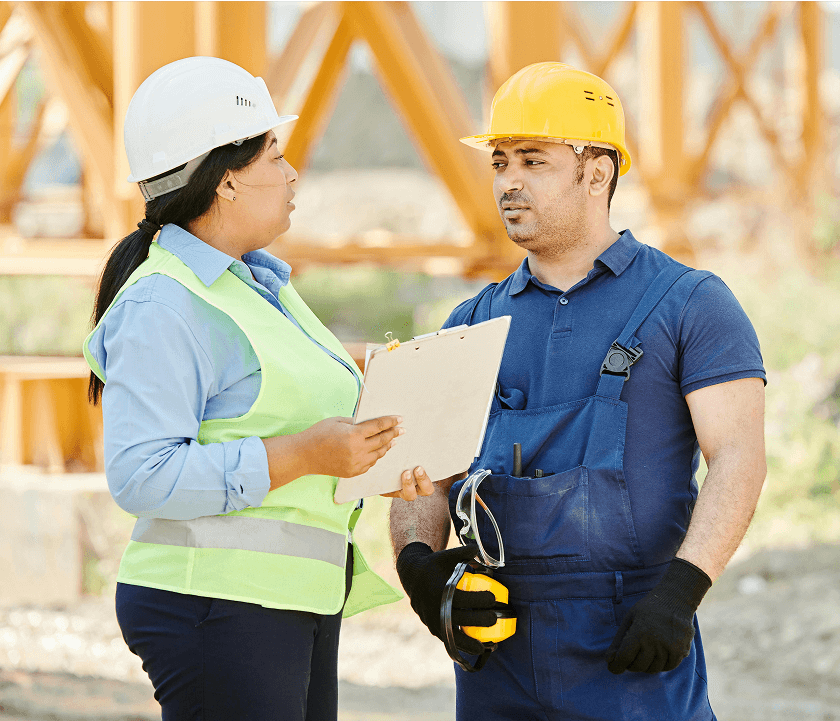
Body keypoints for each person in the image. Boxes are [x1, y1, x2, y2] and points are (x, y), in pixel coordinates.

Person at [389, 62, 767, 720]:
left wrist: (681, 591)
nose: (508, 182)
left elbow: (738, 456)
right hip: (498, 649)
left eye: (533, 161)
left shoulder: (691, 304)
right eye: (500, 162)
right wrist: (420, 567)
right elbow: (419, 475)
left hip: (633, 639)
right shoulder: (468, 323)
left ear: (597, 172)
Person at [83, 56, 433, 721]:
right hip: (216, 605)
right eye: (275, 154)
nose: (292, 173)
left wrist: (363, 461)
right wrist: (305, 454)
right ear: (226, 180)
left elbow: (280, 428)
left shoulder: (261, 287)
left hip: (287, 601)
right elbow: (141, 474)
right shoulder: (164, 302)